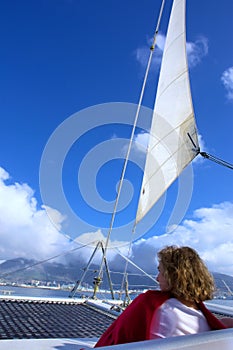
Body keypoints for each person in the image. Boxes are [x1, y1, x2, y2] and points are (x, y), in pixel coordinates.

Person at [94, 245, 232, 348]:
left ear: (175, 275)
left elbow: (119, 339)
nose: (157, 278)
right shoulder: (199, 315)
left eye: (160, 271)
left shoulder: (150, 303)